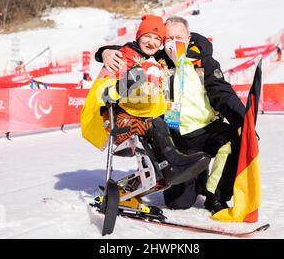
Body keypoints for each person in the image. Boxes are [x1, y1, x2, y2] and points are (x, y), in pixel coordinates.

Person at [96, 16, 246, 213]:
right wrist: (105, 52)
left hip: (205, 129)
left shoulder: (202, 61)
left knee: (234, 139)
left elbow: (222, 92)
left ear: (189, 37)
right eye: (169, 38)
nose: (174, 43)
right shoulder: (157, 60)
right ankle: (196, 176)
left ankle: (215, 197)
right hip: (175, 139)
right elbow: (134, 48)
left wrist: (244, 120)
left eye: (179, 37)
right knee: (179, 203)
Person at [81, 15, 210, 187]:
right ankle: (171, 165)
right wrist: (106, 54)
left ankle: (162, 171)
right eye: (147, 36)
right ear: (138, 36)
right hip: (122, 123)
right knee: (156, 125)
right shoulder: (123, 57)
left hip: (149, 120)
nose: (151, 42)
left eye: (157, 38)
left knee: (161, 124)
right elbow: (104, 95)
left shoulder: (158, 59)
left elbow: (200, 44)